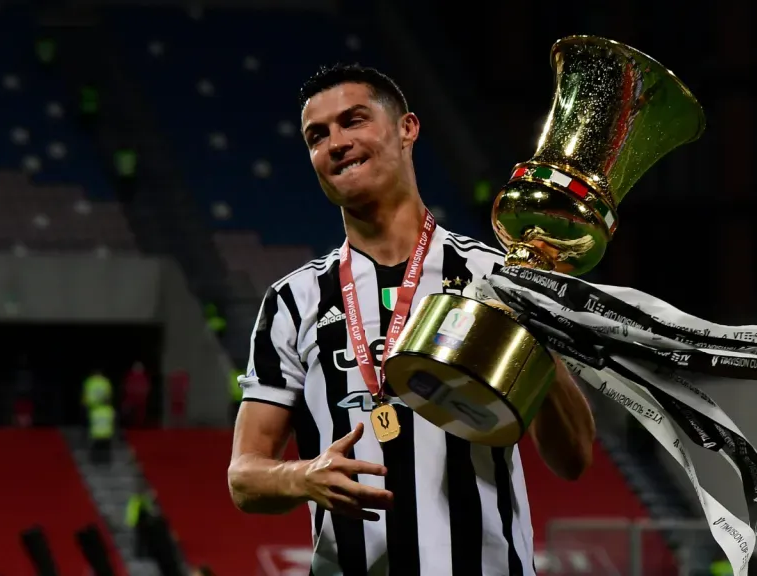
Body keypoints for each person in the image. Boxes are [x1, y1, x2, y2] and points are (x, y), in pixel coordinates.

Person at [228, 63, 596, 576]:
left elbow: (572, 457)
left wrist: (533, 336)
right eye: (318, 135)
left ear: (407, 129)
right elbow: (244, 477)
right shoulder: (293, 300)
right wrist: (304, 476)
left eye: (353, 121)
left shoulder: (493, 277)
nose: (336, 142)